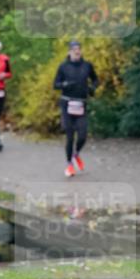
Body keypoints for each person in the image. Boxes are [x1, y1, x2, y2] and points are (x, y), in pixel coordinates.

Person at [52, 40, 98, 177]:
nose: (77, 51)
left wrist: (92, 88)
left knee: (83, 135)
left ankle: (76, 154)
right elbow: (55, 84)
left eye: (78, 49)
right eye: (74, 49)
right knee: (70, 135)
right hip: (67, 104)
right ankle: (69, 164)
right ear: (69, 52)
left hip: (81, 104)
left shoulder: (87, 66)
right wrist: (65, 84)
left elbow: (95, 80)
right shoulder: (63, 67)